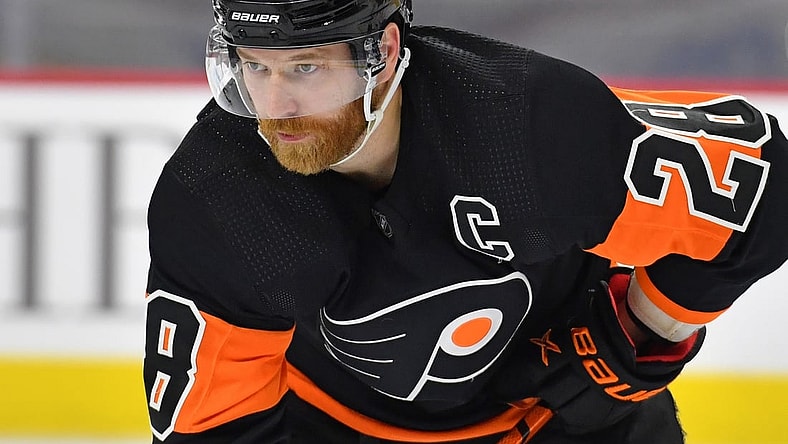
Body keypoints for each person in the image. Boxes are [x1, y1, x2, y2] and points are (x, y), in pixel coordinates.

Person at [142, 1, 788, 443]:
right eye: (256, 67)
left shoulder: (525, 126)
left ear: (383, 52)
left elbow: (764, 188)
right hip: (332, 424)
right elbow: (214, 425)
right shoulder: (217, 195)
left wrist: (640, 329)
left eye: (306, 67)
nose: (276, 105)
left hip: (557, 416)